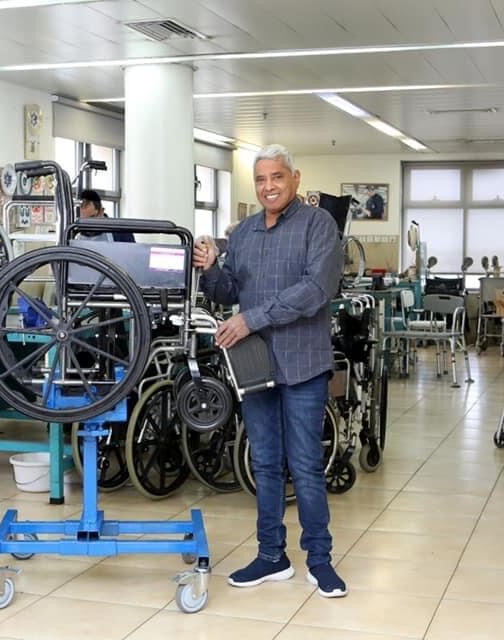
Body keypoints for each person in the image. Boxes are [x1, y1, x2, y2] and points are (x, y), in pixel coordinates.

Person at [192, 144, 347, 598]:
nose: (268, 187)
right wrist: (210, 268)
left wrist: (250, 319)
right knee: (263, 462)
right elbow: (229, 292)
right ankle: (271, 556)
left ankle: (320, 560)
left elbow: (315, 290)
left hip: (302, 365)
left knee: (305, 466)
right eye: (260, 180)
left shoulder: (320, 227)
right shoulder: (243, 233)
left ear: (295, 179)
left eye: (277, 177)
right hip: (255, 365)